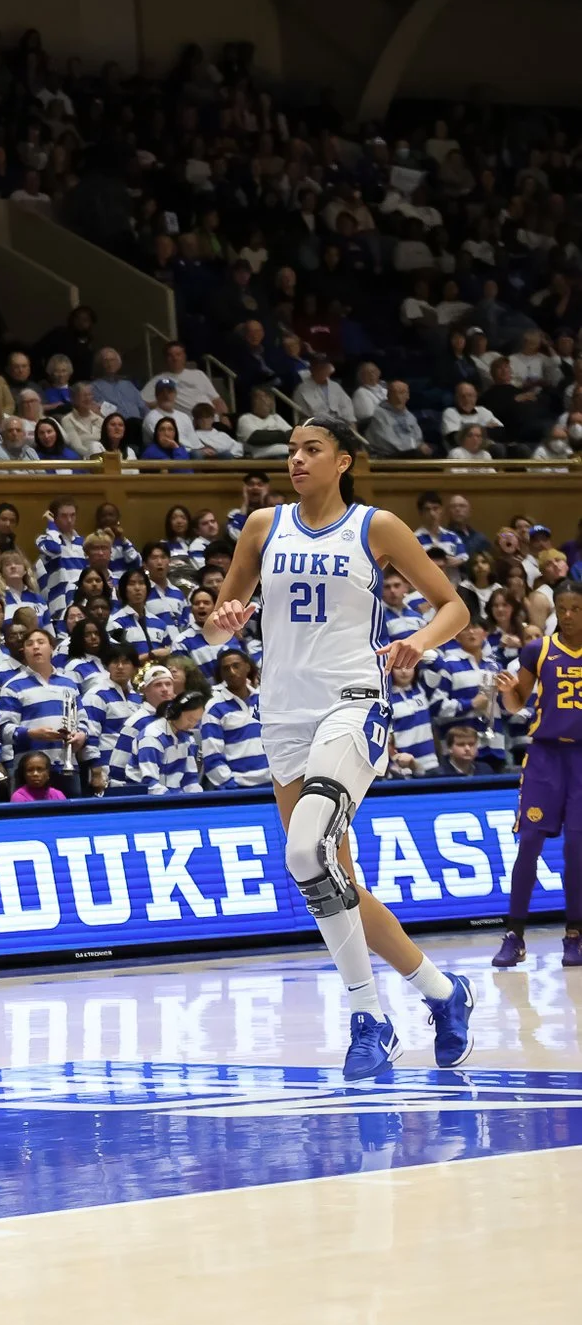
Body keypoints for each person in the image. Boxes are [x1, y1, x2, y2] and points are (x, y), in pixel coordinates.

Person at [201, 417, 475, 1078]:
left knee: (304, 848)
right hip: (282, 712)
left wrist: (419, 641)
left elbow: (454, 606)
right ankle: (443, 991)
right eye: (291, 450)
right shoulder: (263, 525)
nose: (295, 459)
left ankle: (368, 1017)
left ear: (343, 460)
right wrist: (224, 620)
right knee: (330, 873)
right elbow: (214, 628)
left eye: (310, 449)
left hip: (352, 701)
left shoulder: (375, 526)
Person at [491, 580, 582, 968]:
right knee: (528, 844)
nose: (567, 615)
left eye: (575, 608)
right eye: (561, 608)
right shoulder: (538, 650)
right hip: (545, 758)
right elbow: (516, 706)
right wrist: (508, 692)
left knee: (577, 850)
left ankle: (574, 936)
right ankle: (515, 935)